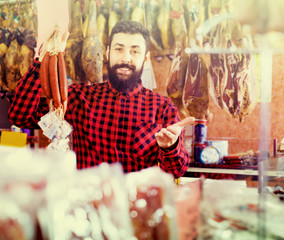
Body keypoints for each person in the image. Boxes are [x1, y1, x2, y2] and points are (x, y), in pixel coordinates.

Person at [8, 20, 194, 178]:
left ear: (145, 59)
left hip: (135, 214)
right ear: (107, 53)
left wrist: (170, 147)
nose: (125, 58)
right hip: (90, 211)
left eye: (134, 51)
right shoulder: (78, 98)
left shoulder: (162, 108)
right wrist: (42, 60)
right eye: (119, 49)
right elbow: (20, 116)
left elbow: (176, 171)